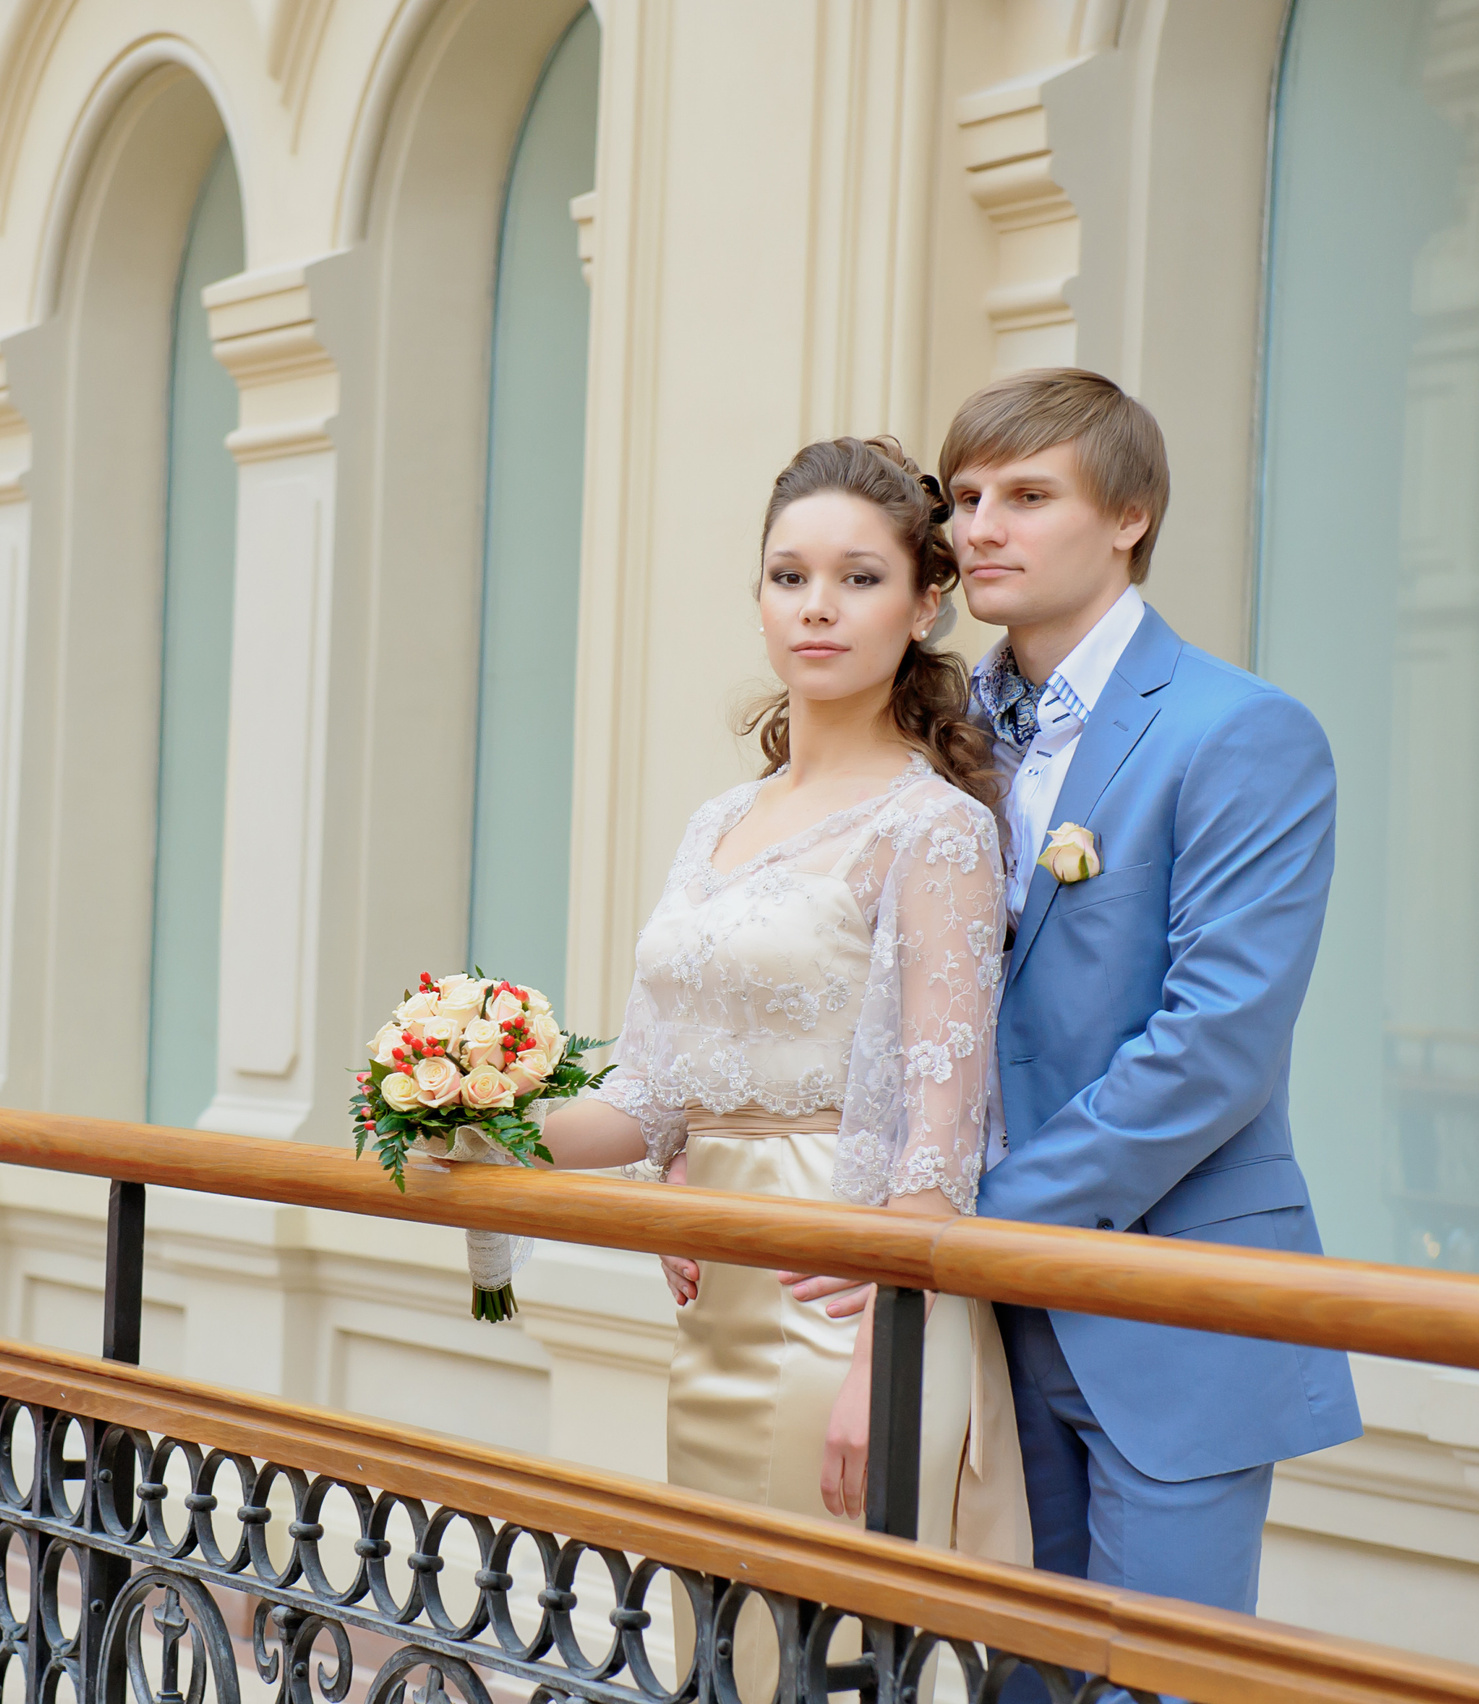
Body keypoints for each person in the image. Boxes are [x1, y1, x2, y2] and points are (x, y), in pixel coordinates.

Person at [537, 436, 1029, 1570]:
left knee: (823, 1650)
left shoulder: (934, 827)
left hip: (848, 1300)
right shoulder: (719, 821)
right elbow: (646, 1099)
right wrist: (481, 1116)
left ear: (922, 606)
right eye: (788, 576)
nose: (819, 607)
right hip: (719, 1288)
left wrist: (882, 1372)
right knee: (720, 1640)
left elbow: (940, 1147)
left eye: (860, 578)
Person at [940, 367, 1361, 1614]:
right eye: (964, 498)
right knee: (1006, 1676)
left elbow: (1215, 1045)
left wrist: (978, 1229)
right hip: (972, 1325)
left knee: (1157, 1682)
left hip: (1166, 1303)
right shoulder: (940, 730)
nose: (980, 528)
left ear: (1128, 516)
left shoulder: (1240, 731)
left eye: (1026, 494)